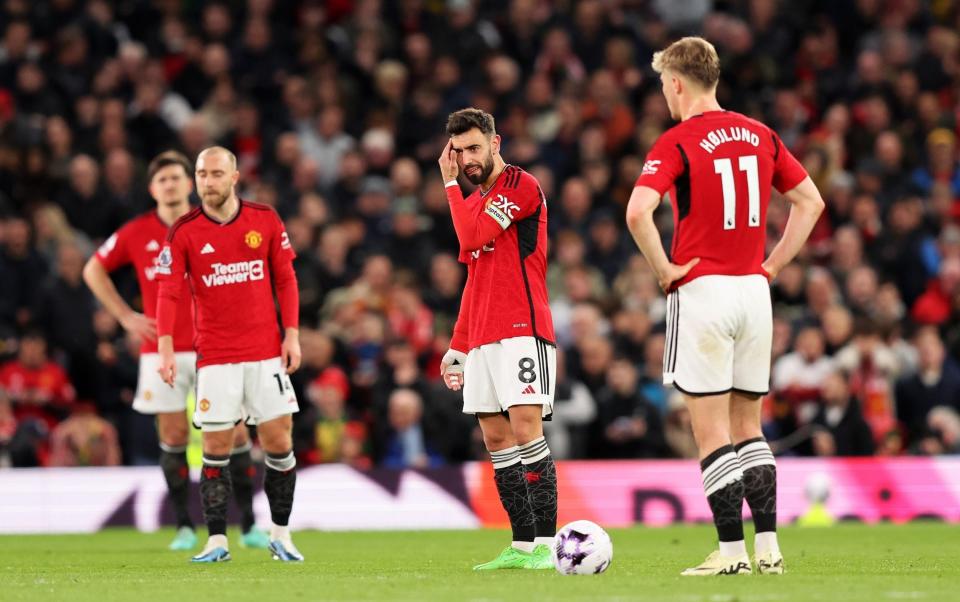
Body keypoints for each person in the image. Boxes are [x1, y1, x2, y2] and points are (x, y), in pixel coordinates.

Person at [626, 37, 824, 576]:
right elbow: (811, 202)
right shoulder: (760, 134)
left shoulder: (677, 139)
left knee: (711, 432)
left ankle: (731, 554)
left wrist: (664, 269)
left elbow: (638, 212)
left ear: (677, 83)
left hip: (704, 290)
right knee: (750, 428)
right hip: (753, 292)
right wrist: (776, 266)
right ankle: (769, 549)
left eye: (664, 83)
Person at [83, 151, 269, 552]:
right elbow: (92, 268)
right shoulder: (135, 232)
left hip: (214, 347)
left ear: (191, 184)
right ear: (152, 189)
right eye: (161, 180)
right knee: (173, 435)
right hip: (160, 351)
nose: (169, 185)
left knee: (235, 432)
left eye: (176, 178)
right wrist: (125, 317)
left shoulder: (213, 224)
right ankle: (185, 525)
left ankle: (250, 522)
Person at [156, 147, 303, 563]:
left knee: (279, 442)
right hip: (216, 358)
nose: (207, 181)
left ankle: (282, 535)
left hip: (265, 356)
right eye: (202, 173)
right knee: (216, 446)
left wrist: (291, 335)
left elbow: (286, 279)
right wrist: (166, 345)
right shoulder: (184, 230)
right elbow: (168, 291)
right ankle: (217, 540)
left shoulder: (264, 219)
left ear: (235, 176)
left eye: (216, 173)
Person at [438, 108, 557, 570]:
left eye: (473, 148)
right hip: (484, 336)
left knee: (527, 428)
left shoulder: (520, 187)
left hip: (523, 330)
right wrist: (458, 344)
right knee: (495, 438)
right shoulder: (473, 202)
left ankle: (547, 543)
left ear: (495, 142)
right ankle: (522, 544)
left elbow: (472, 235)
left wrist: (449, 185)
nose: (467, 159)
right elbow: (475, 279)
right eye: (459, 151)